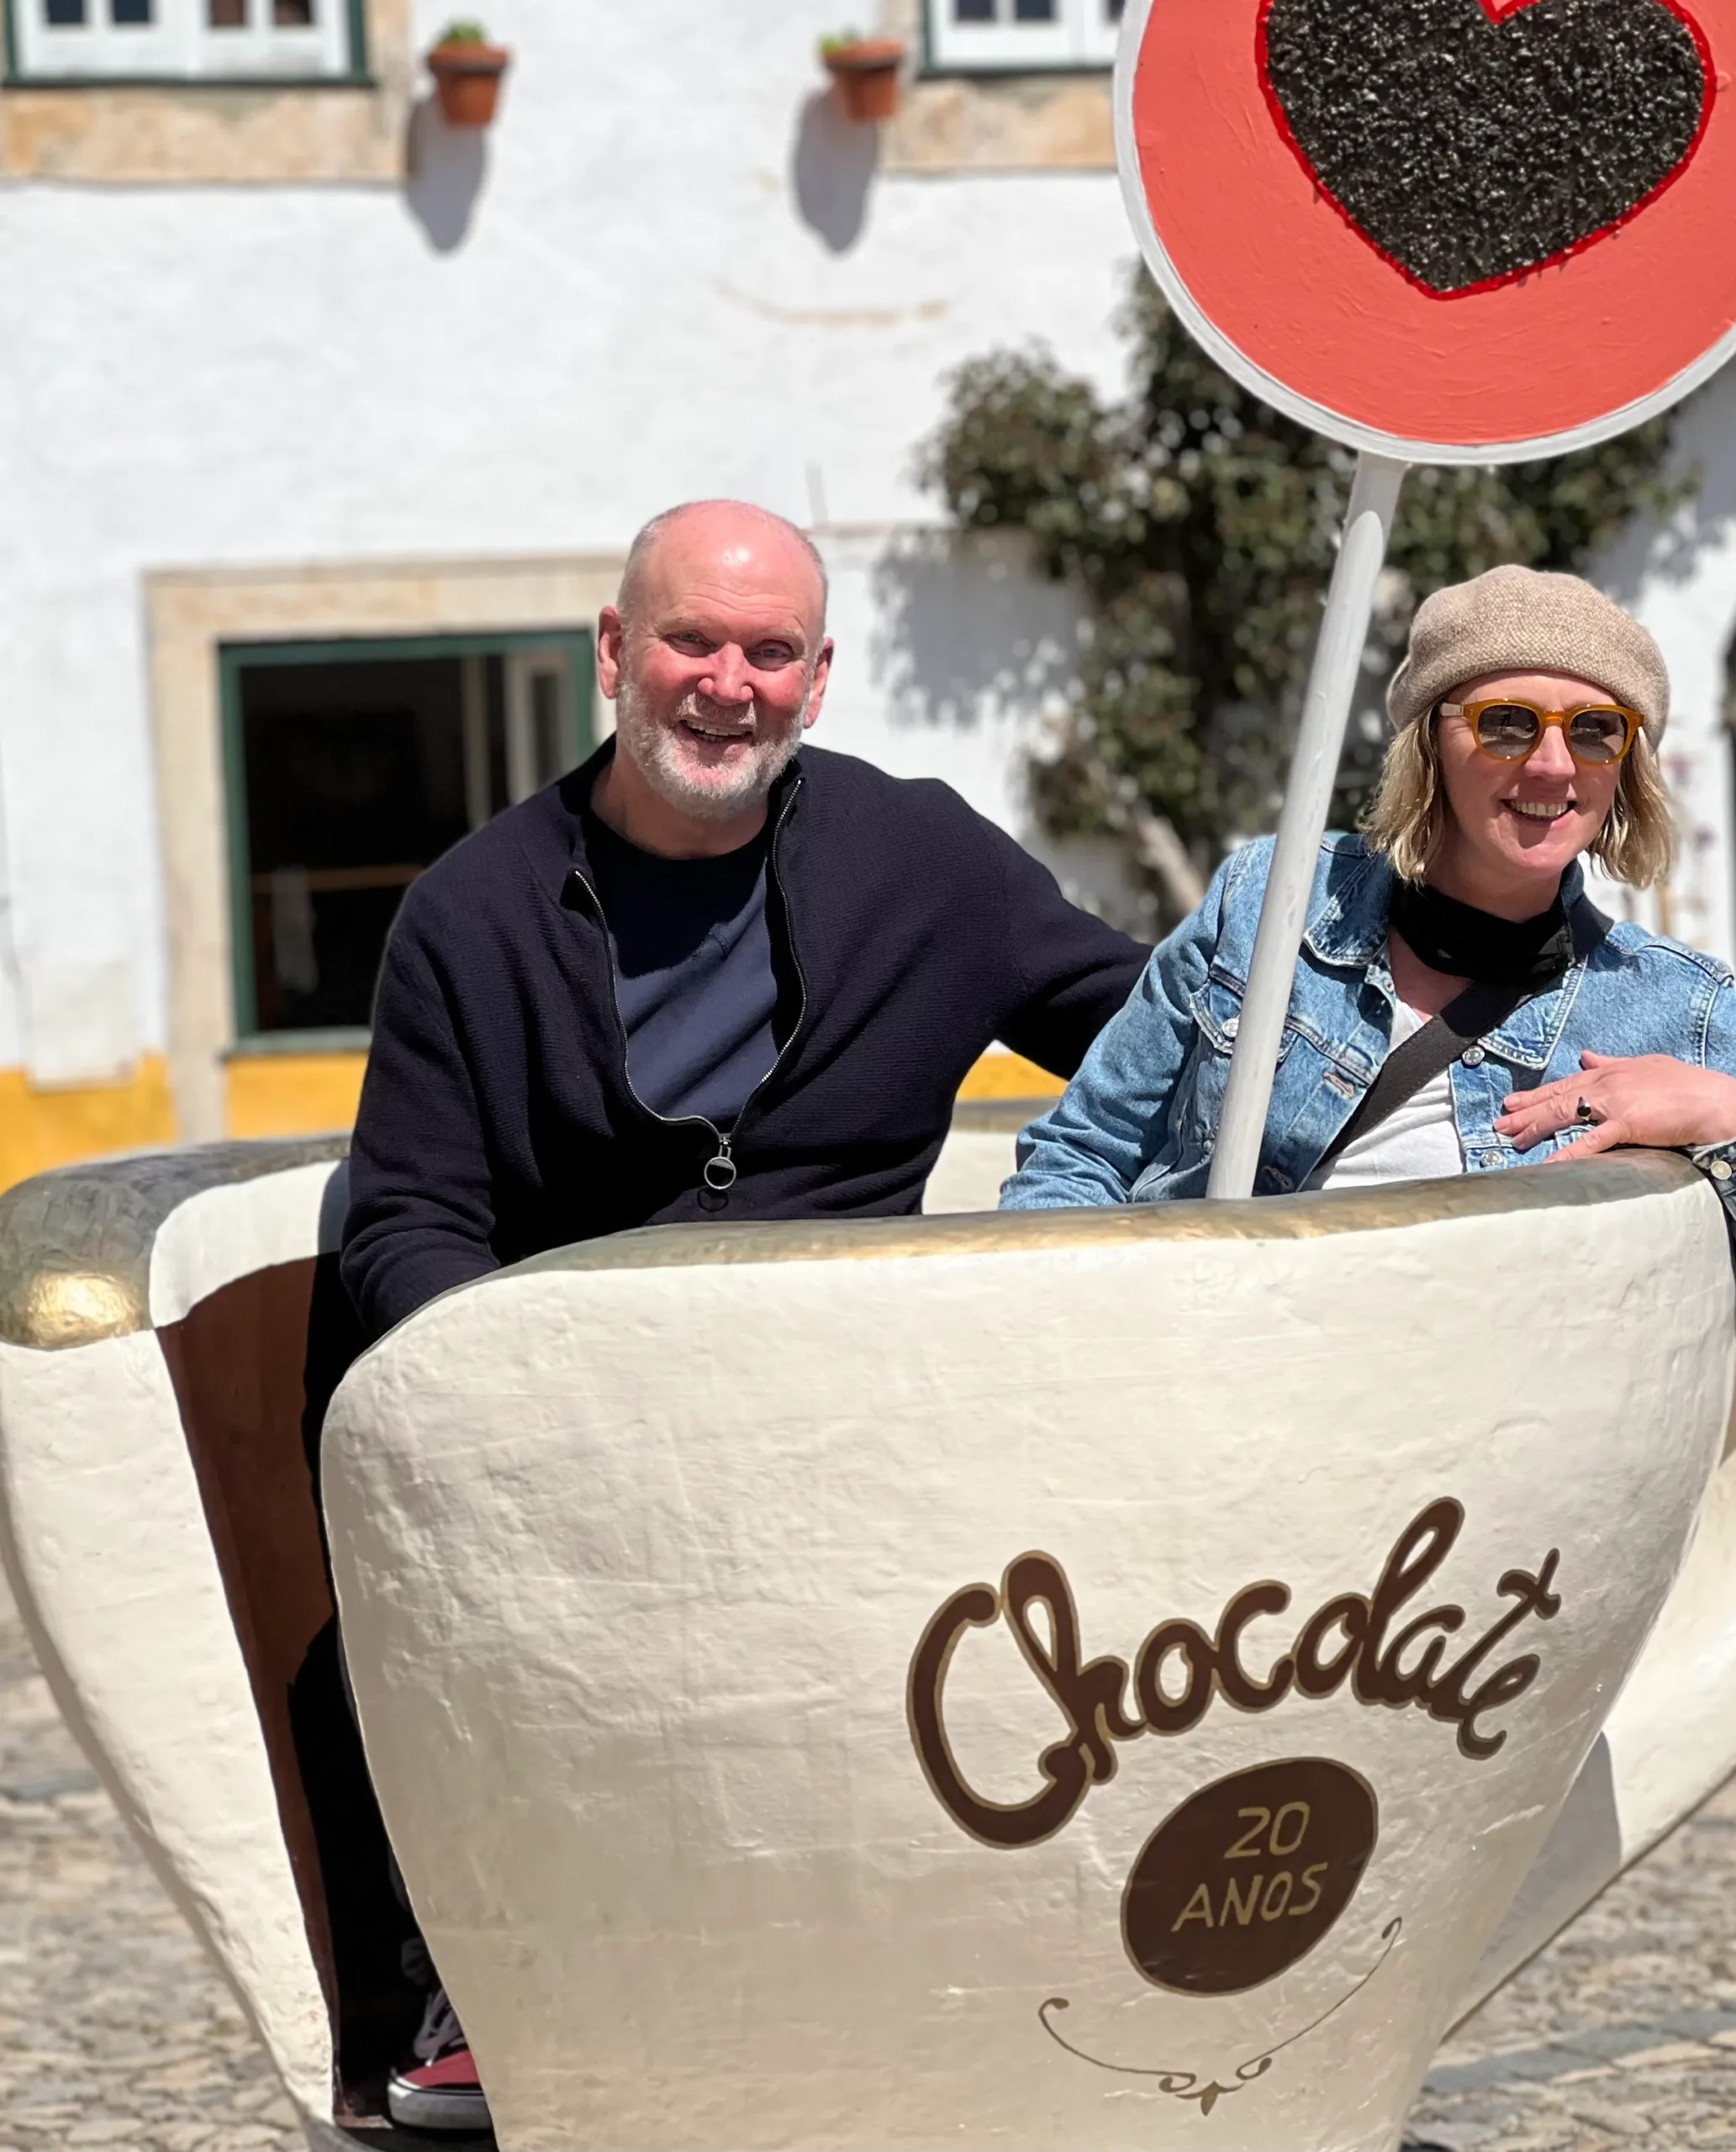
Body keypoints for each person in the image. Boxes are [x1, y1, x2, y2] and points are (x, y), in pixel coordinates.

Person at [333, 498, 1147, 2130]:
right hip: (577, 1461)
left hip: (857, 1439)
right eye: (691, 640)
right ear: (614, 653)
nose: (727, 682)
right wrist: (508, 1387)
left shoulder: (922, 858)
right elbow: (407, 1208)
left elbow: (1152, 1030)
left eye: (768, 650)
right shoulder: (472, 910)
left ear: (818, 677)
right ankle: (496, 1994)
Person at [1000, 563, 1736, 1377]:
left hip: (1462, 1481)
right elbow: (1082, 1156)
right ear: (1429, 745)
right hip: (1211, 1402)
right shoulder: (1269, 904)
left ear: (1625, 767)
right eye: (1507, 724)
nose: (1552, 764)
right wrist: (1084, 1361)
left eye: (1596, 731)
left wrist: (1726, 1113)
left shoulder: (1673, 1007)